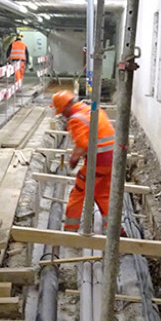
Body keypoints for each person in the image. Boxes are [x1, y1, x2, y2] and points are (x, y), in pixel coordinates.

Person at [51, 90, 115, 231]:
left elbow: (82, 144)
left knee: (78, 192)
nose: (63, 115)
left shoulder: (75, 119)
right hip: (112, 159)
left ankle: (70, 228)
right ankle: (114, 228)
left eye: (62, 111)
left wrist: (73, 159)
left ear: (67, 106)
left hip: (99, 161)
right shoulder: (89, 108)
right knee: (102, 194)